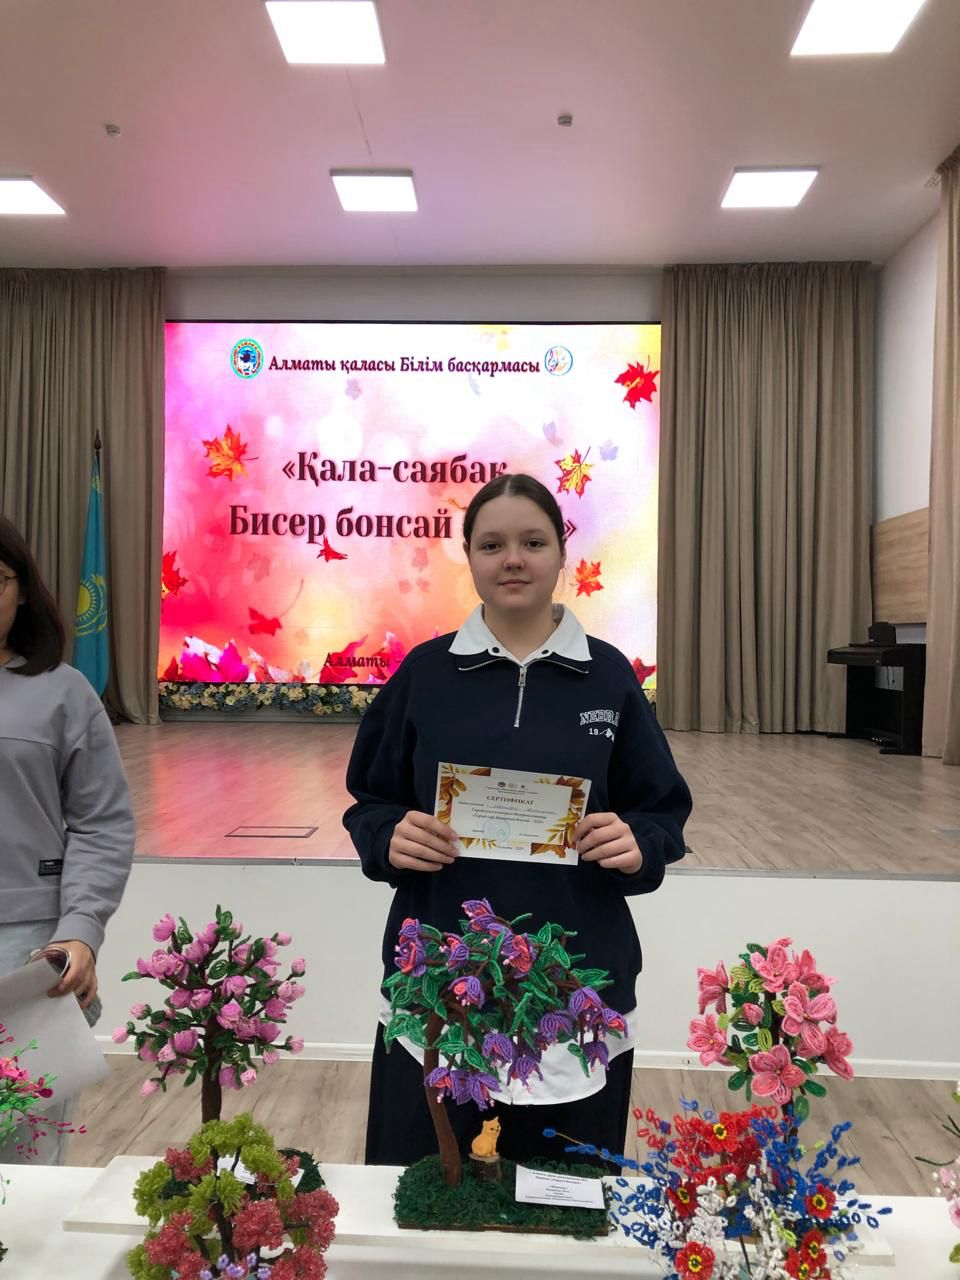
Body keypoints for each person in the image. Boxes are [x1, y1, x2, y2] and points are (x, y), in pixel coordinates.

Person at [343, 473, 691, 1168]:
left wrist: (637, 843)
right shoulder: (426, 674)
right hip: (440, 981)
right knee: (424, 1195)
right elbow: (371, 802)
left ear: (561, 552)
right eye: (492, 544)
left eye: (533, 542)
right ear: (468, 555)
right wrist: (389, 836)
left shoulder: (609, 677)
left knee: (564, 1202)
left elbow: (660, 812)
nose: (513, 560)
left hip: (576, 984)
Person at [0, 514, 135, 1162]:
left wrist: (79, 929)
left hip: (26, 951)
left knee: (26, 1162)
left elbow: (102, 822)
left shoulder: (62, 692)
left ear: (22, 589)